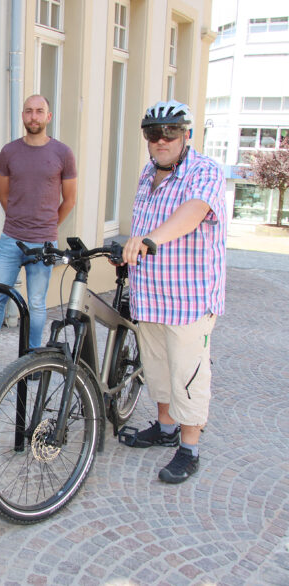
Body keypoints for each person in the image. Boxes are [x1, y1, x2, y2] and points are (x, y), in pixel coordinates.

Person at [121, 100, 226, 484]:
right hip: (150, 294)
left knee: (188, 374)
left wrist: (151, 239)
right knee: (158, 369)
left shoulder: (205, 171)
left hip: (190, 297)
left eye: (169, 133)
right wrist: (129, 251)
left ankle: (190, 448)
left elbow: (193, 212)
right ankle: (165, 429)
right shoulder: (148, 174)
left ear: (186, 135)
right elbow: (141, 225)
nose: (161, 140)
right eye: (153, 134)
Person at [0, 94, 77, 375]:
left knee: (35, 303)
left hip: (43, 243)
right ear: (23, 115)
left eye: (39, 111)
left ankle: (33, 360)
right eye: (28, 111)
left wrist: (48, 227)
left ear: (48, 116)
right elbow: (3, 193)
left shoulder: (62, 153)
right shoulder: (9, 152)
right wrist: (18, 219)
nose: (33, 116)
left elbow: (69, 199)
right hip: (11, 239)